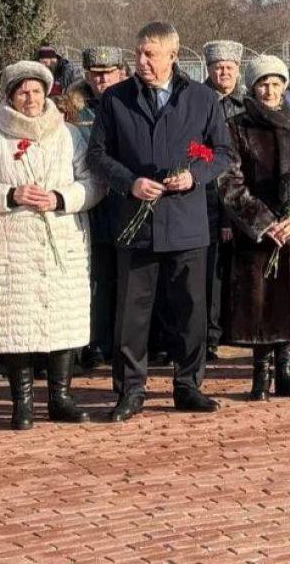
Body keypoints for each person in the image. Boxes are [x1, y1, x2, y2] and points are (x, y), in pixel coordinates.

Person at [87, 21, 233, 421]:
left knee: (190, 310)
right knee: (131, 314)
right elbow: (97, 156)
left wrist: (194, 176)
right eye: (137, 53)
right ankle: (131, 390)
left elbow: (221, 153)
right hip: (135, 223)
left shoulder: (203, 99)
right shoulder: (115, 99)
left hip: (186, 222)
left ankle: (188, 385)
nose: (141, 61)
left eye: (150, 54)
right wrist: (129, 182)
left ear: (173, 55)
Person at [0, 61, 106, 429]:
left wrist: (61, 197)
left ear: (47, 93)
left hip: (61, 239)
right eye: (22, 92)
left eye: (36, 91)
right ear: (11, 96)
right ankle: (22, 401)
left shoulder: (68, 135)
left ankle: (60, 396)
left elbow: (94, 183)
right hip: (10, 242)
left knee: (62, 318)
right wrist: (11, 194)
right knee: (14, 322)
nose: (30, 98)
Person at [218, 55, 290, 400]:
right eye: (263, 83)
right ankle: (260, 374)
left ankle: (286, 371)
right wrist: (263, 222)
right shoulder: (236, 126)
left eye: (277, 83)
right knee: (259, 303)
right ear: (252, 86)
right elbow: (230, 180)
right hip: (257, 232)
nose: (270, 90)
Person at [63, 47, 128, 369]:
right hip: (91, 204)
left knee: (129, 278)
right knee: (97, 278)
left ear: (121, 71)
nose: (101, 78)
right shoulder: (72, 109)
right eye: (95, 72)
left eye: (108, 71)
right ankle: (96, 342)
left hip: (127, 199)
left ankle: (125, 342)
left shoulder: (131, 101)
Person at [202, 40, 248, 361]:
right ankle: (210, 334)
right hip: (206, 193)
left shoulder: (245, 104)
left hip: (241, 193)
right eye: (219, 67)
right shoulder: (198, 101)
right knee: (210, 271)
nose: (224, 72)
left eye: (230, 67)